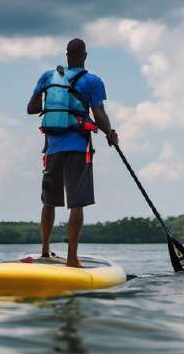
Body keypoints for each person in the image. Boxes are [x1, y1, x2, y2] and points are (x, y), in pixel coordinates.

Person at [27, 38, 118, 267]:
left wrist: (53, 103)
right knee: (76, 204)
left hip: (52, 148)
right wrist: (110, 134)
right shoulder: (92, 81)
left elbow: (31, 108)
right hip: (78, 148)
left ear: (66, 55)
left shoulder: (49, 77)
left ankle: (45, 251)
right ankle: (71, 259)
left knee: (49, 201)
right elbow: (99, 115)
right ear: (85, 56)